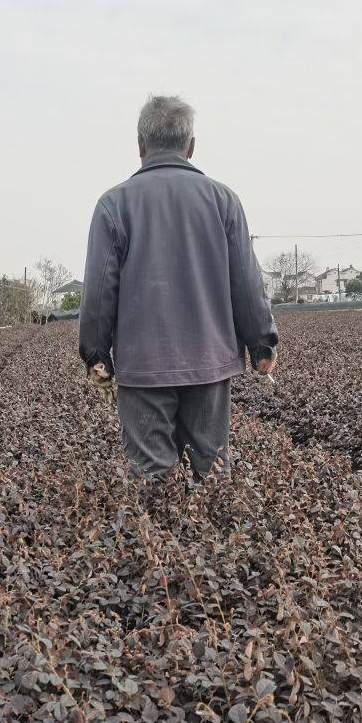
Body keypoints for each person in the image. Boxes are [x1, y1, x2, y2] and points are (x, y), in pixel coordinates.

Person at [78, 94, 278, 481]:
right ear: (190, 147)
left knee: (150, 476)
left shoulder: (112, 205)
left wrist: (96, 355)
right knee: (212, 470)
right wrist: (262, 345)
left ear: (140, 145)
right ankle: (215, 540)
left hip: (142, 367)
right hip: (209, 363)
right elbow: (247, 281)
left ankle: (157, 539)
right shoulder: (224, 201)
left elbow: (99, 291)